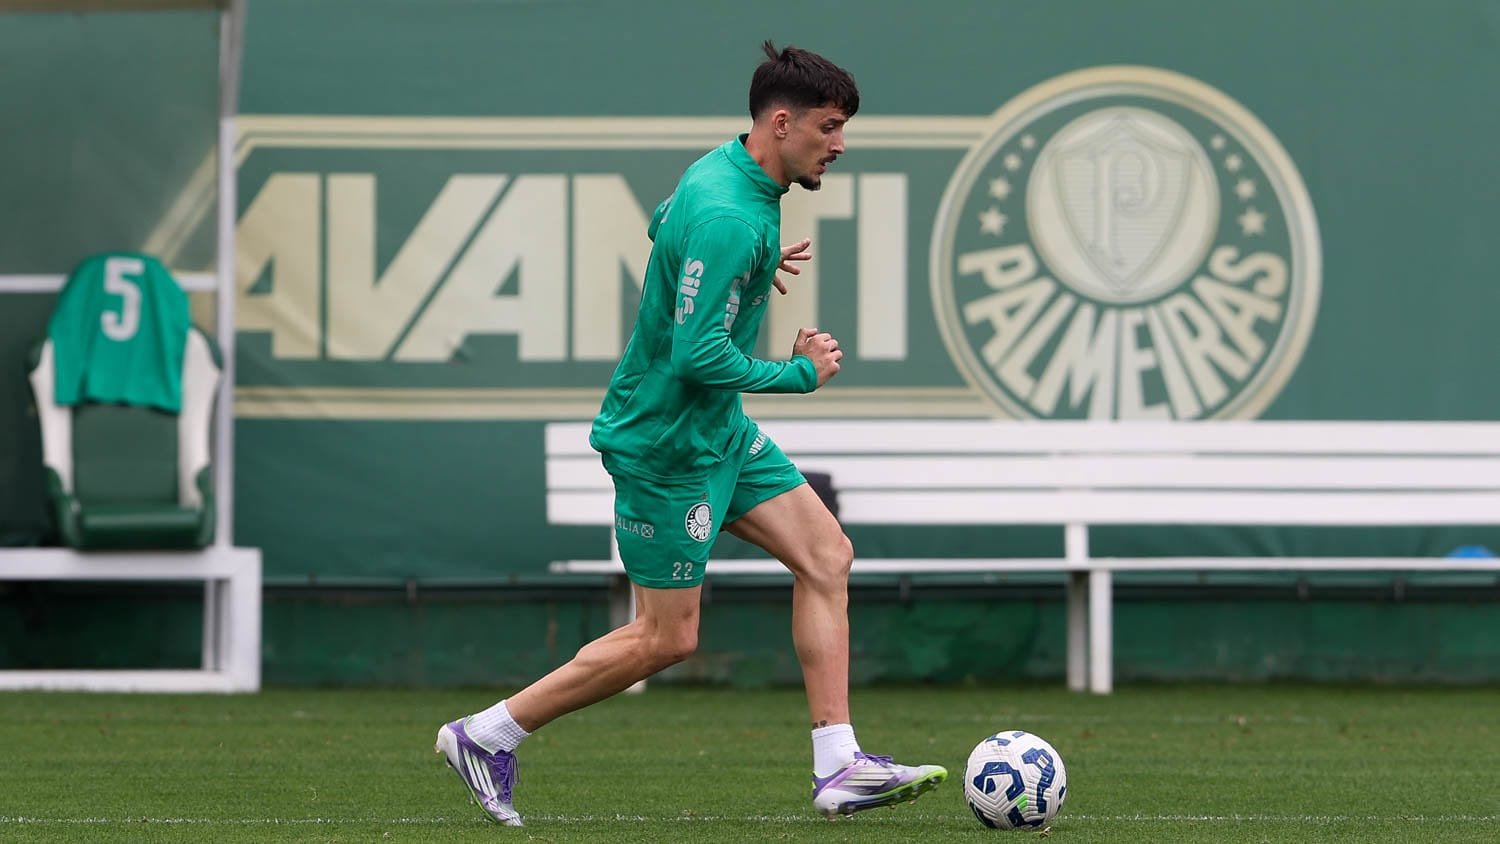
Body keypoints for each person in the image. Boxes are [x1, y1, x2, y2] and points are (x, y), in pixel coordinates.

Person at [435, 40, 947, 826]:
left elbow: (660, 225)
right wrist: (799, 374)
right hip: (665, 446)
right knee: (665, 639)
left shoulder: (728, 175)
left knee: (826, 555)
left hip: (719, 434)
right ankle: (486, 734)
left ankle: (839, 763)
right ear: (782, 122)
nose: (839, 145)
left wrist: (742, 268)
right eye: (830, 128)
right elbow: (696, 351)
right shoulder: (730, 215)